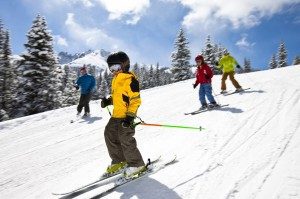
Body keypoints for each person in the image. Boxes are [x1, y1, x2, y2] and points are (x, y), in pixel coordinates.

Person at [100, 51, 145, 179]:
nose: (114, 71)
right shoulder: (115, 79)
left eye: (116, 67)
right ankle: (119, 161)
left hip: (126, 117)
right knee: (109, 134)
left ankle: (137, 164)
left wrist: (130, 117)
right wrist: (109, 101)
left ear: (125, 66)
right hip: (116, 115)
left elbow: (135, 100)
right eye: (111, 68)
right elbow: (119, 97)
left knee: (125, 138)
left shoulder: (130, 80)